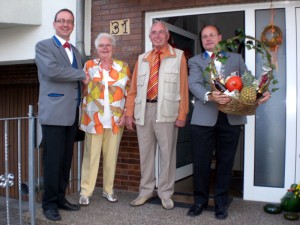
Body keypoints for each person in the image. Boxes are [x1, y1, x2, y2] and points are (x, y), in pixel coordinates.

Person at [187, 25, 271, 219]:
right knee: (201, 163)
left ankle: (221, 204)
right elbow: (194, 84)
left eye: (212, 35)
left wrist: (259, 95)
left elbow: (248, 84)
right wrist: (210, 95)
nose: (208, 39)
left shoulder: (236, 59)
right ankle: (199, 201)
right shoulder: (195, 61)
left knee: (225, 163)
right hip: (203, 120)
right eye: (204, 36)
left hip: (231, 119)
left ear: (220, 37)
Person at [125, 21, 189, 210]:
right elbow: (133, 88)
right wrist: (129, 113)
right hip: (143, 111)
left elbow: (183, 88)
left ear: (167, 35)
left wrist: (182, 113)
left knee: (167, 154)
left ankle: (165, 193)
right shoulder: (142, 58)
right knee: (145, 155)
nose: (158, 35)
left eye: (161, 32)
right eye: (154, 33)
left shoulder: (178, 56)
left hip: (167, 112)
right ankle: (145, 192)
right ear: (150, 36)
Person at [35, 8, 89, 221]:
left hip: (72, 114)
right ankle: (48, 204)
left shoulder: (75, 51)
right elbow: (52, 71)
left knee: (66, 160)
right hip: (55, 113)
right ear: (55, 24)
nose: (65, 24)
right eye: (61, 21)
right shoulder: (43, 46)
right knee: (52, 161)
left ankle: (60, 198)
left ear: (73, 26)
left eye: (69, 22)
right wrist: (81, 73)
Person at [78, 33, 131, 206]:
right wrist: (85, 85)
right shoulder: (89, 65)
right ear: (96, 48)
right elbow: (82, 92)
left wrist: (125, 114)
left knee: (111, 158)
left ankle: (108, 190)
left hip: (115, 121)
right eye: (101, 45)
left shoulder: (123, 67)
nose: (105, 48)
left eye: (108, 45)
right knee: (90, 157)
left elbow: (129, 94)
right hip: (94, 120)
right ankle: (86, 191)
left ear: (113, 47)